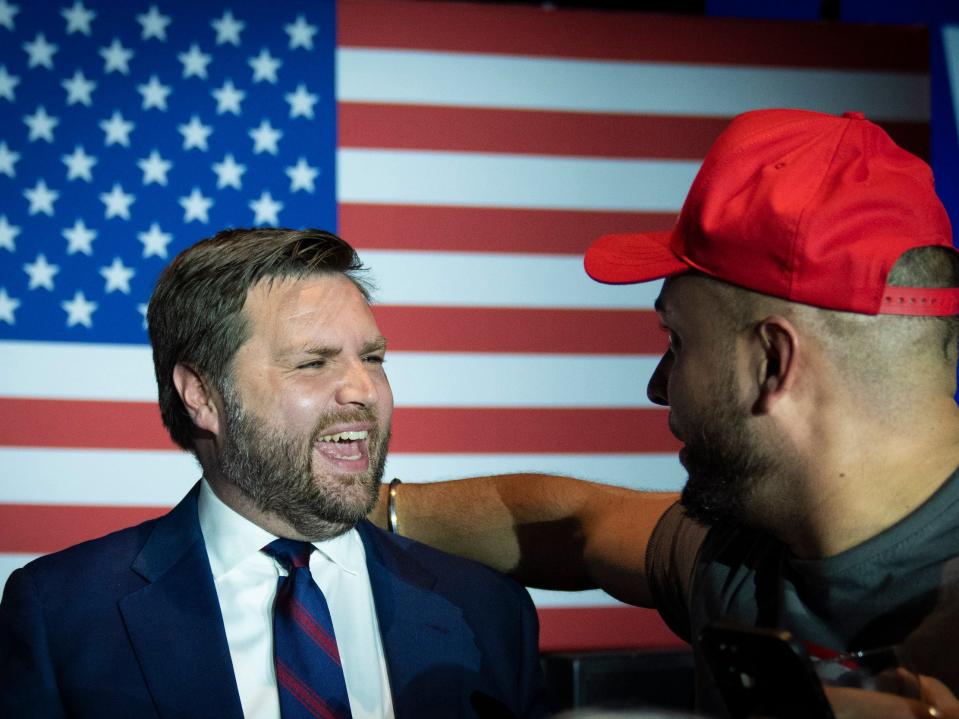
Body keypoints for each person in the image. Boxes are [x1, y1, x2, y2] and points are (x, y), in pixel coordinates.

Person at [369, 109, 959, 717]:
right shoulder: (746, 557)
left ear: (772, 363)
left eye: (676, 340)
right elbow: (575, 525)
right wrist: (351, 506)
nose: (657, 386)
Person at [0, 228, 547, 719]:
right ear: (203, 395)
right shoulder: (64, 614)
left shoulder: (490, 611)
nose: (364, 390)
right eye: (313, 362)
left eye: (374, 358)